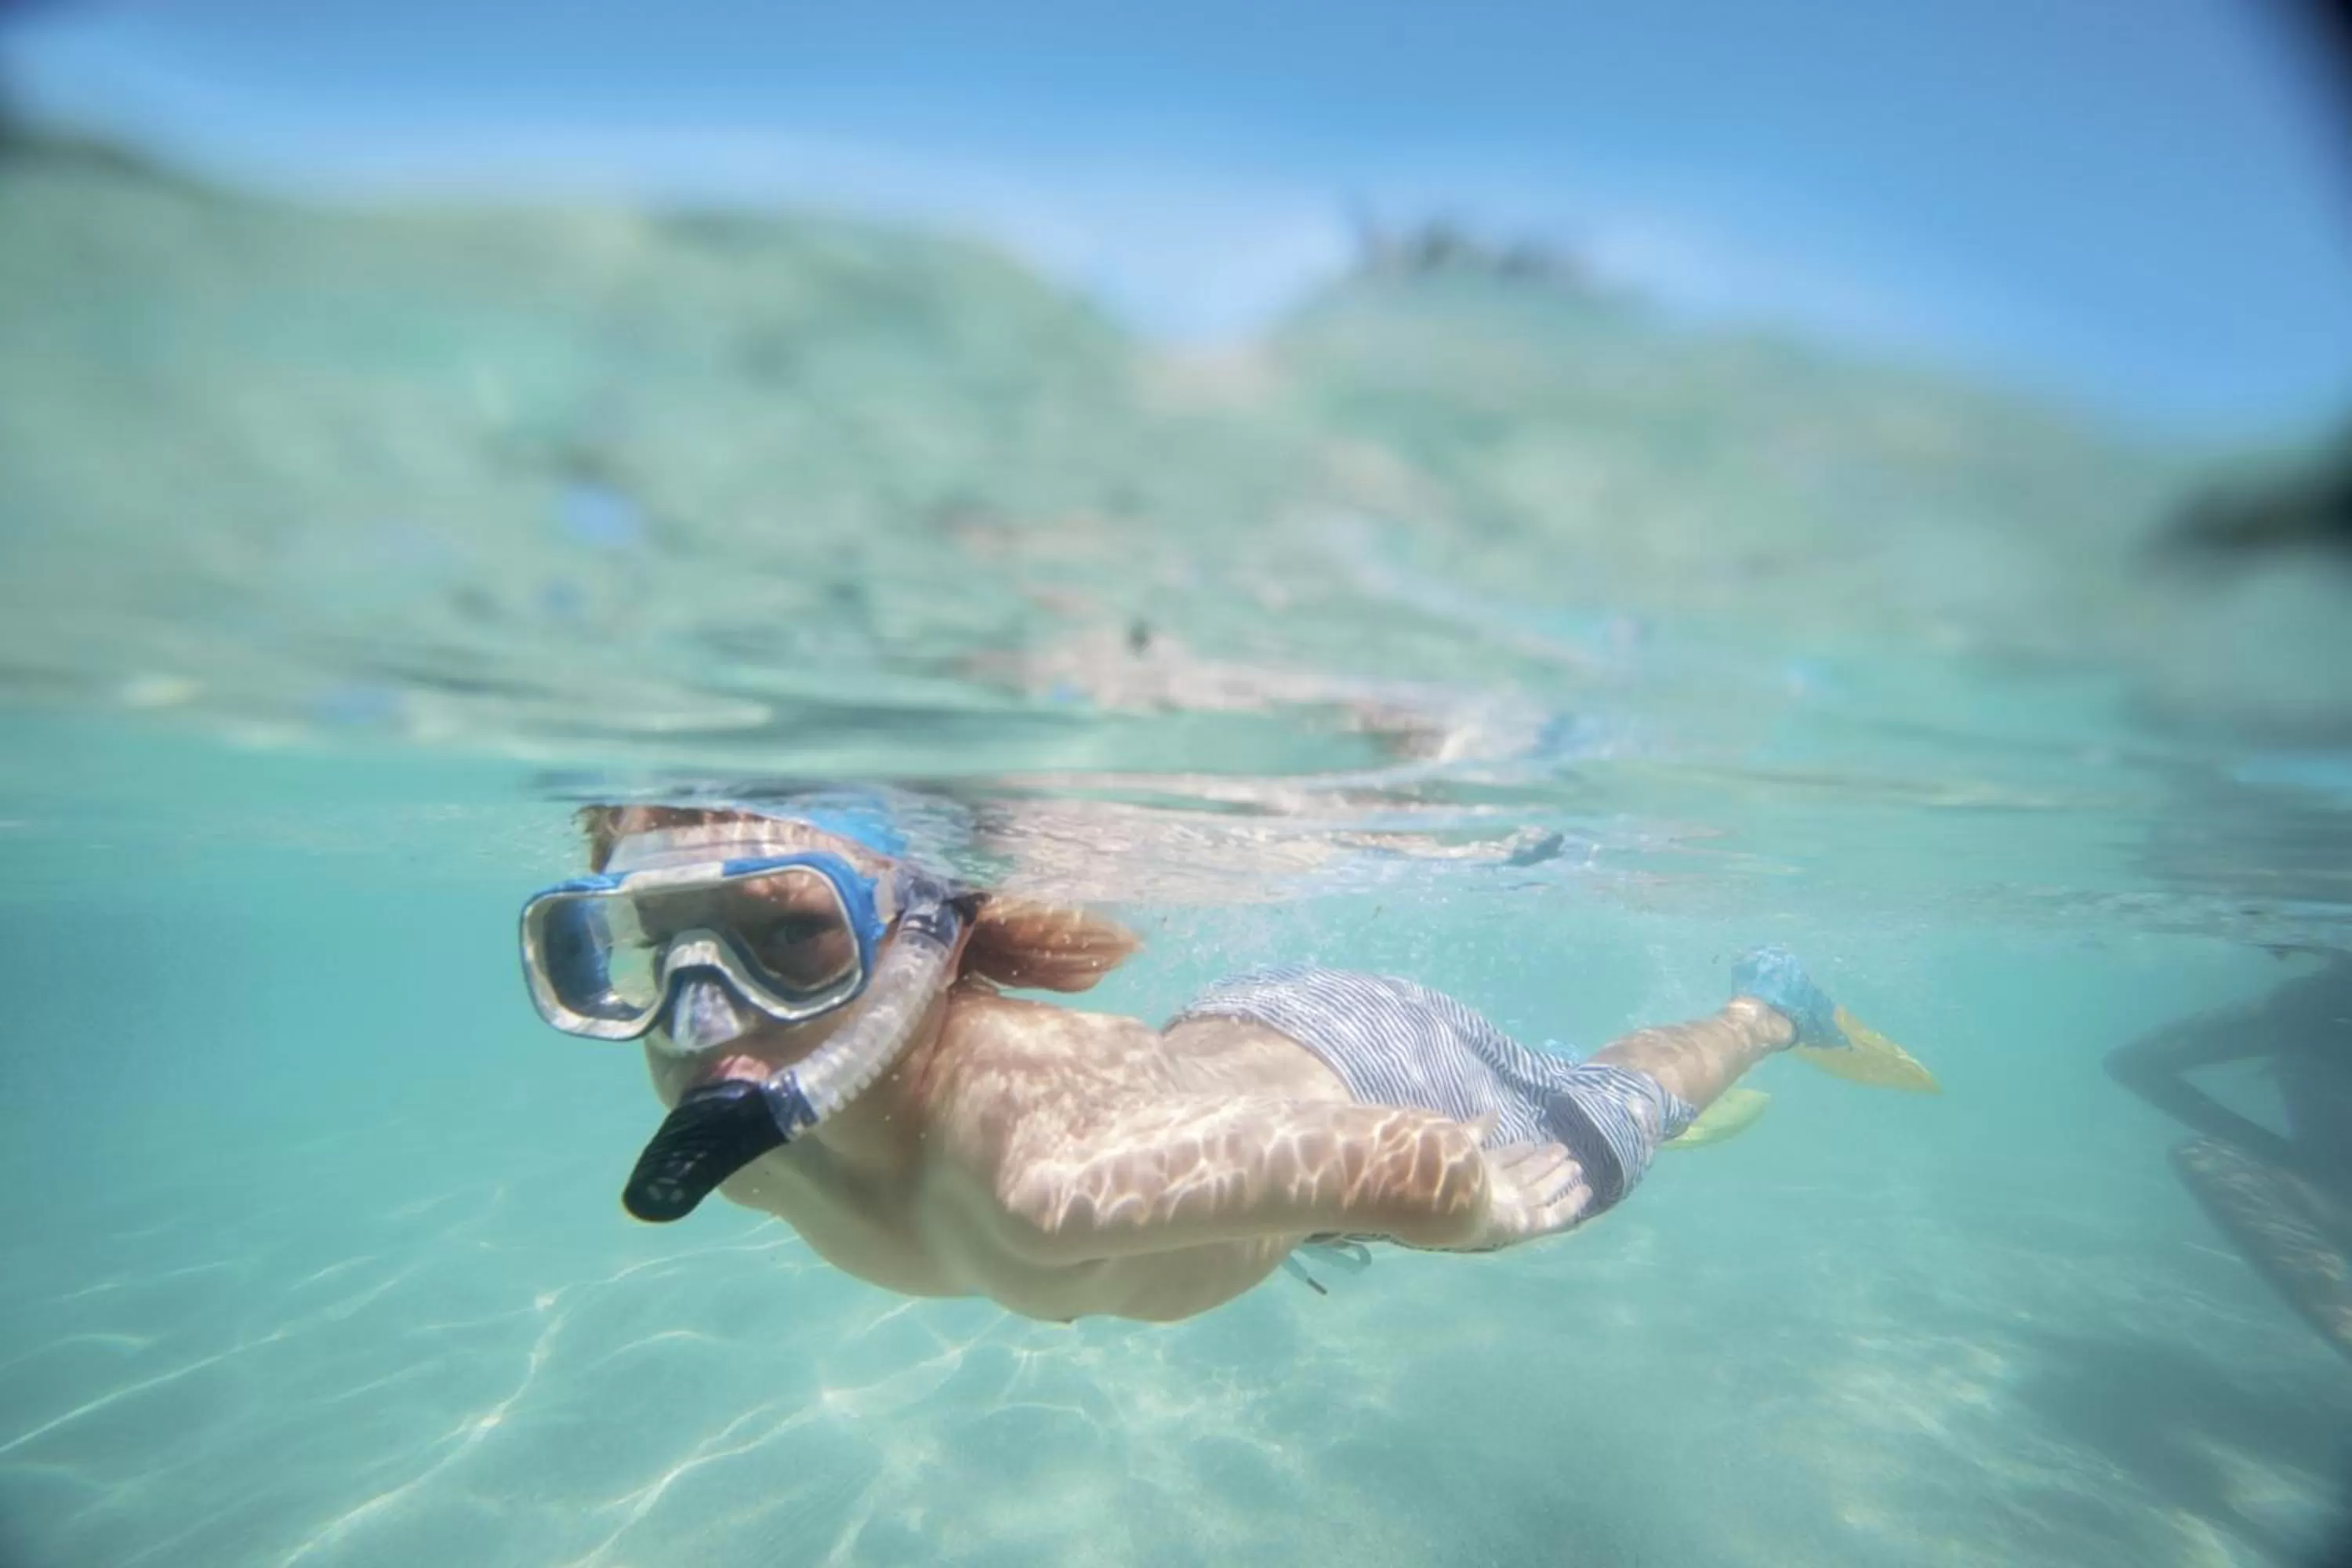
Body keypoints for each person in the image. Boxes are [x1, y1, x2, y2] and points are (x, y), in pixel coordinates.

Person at [518, 799, 1931, 1323]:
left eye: (789, 938)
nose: (706, 1017)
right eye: (645, 950)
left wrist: (1491, 1200)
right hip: (1240, 1068)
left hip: (1367, 1074)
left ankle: (1764, 1011)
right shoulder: (731, 1119)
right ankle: (1538, 1074)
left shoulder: (1044, 1179)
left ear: (923, 944)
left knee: (1597, 1144)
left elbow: (1402, 1162)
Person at [2106, 956, 2352, 1360]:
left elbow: (2132, 1064)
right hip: (2334, 1203)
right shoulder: (2308, 1006)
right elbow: (2131, 1064)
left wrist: (2278, 1157)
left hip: (2333, 1202)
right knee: (2206, 1157)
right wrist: (2282, 1159)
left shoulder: (2304, 1006)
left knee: (2206, 1158)